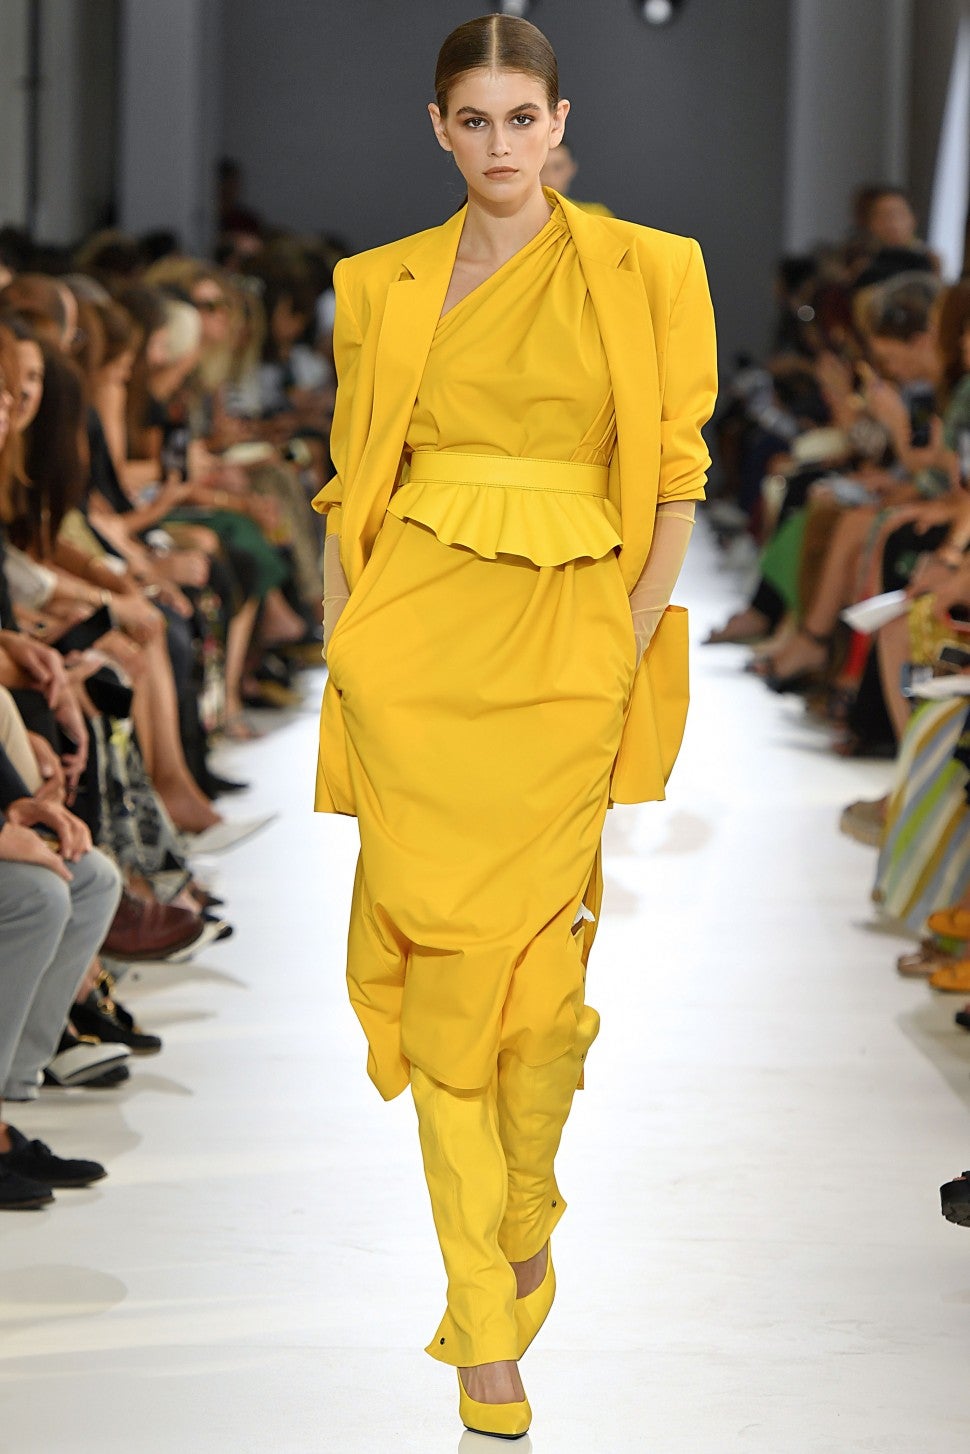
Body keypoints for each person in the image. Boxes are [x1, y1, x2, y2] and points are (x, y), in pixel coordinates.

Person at [313, 13, 716, 1441]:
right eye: (472, 119)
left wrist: (627, 636)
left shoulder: (653, 268)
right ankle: (482, 1319)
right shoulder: (377, 283)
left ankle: (525, 1203)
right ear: (439, 128)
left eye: (520, 117)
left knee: (539, 993)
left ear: (559, 122)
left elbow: (672, 476)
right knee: (445, 979)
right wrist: (347, 649)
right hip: (414, 646)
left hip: (568, 637)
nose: (499, 143)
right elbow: (350, 480)